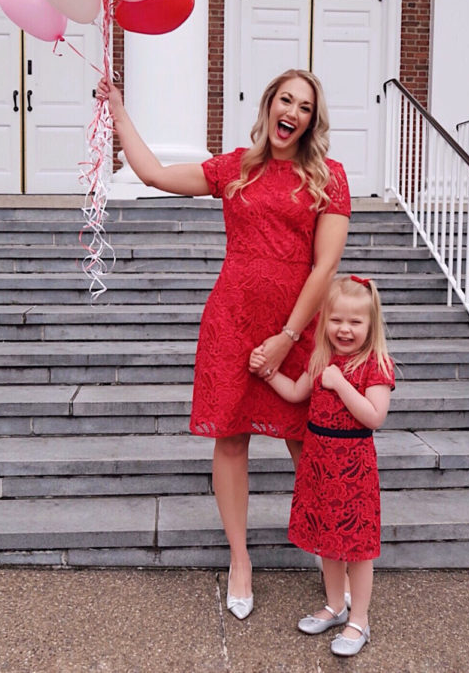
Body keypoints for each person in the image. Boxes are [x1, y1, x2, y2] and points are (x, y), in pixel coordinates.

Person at [95, 69, 351, 619]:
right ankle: (240, 559)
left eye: (305, 106)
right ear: (268, 106)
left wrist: (286, 339)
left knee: (310, 441)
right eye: (286, 100)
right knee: (231, 439)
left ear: (312, 120)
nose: (293, 112)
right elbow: (155, 173)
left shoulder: (329, 177)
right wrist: (117, 110)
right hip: (232, 321)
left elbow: (326, 265)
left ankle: (332, 555)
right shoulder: (234, 168)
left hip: (297, 327)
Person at [250, 274, 394, 657]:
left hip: (354, 468)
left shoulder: (375, 365)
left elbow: (375, 416)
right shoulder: (321, 360)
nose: (344, 329)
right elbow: (296, 393)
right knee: (328, 542)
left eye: (355, 322)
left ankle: (358, 620)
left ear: (370, 325)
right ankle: (335, 605)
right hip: (319, 466)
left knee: (358, 549)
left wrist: (341, 384)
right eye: (336, 320)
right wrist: (267, 372)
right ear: (325, 321)